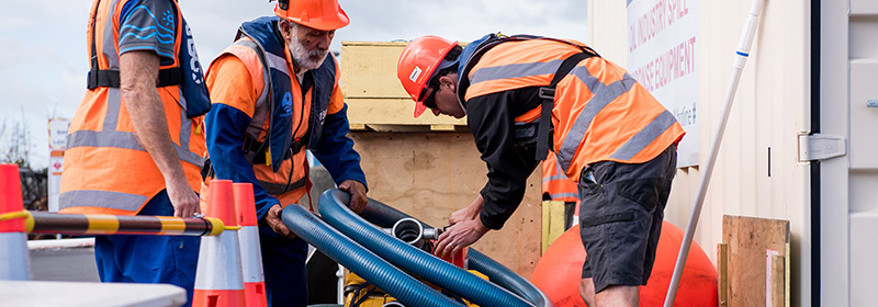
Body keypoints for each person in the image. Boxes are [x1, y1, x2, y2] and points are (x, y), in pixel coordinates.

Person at [397, 33, 685, 307]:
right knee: (592, 284)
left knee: (613, 289)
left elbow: (506, 178)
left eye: (427, 100)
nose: (434, 112)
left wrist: (477, 226)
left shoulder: (481, 92)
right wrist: (473, 209)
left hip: (616, 156)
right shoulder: (499, 61)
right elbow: (519, 158)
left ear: (446, 83)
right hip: (650, 148)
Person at [201, 0, 367, 305]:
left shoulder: (325, 68)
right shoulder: (242, 65)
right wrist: (261, 206)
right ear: (287, 27)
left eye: (329, 34)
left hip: (290, 218)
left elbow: (332, 133)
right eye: (313, 34)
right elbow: (223, 150)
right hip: (237, 216)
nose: (323, 44)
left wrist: (350, 175)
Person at [59, 0, 211, 306]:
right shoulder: (150, 2)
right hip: (150, 186)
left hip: (112, 183)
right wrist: (175, 178)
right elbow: (137, 86)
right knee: (168, 296)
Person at [542, 151, 580, 230]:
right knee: (564, 229)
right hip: (570, 194)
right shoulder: (569, 152)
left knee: (555, 231)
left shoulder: (546, 153)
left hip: (553, 195)